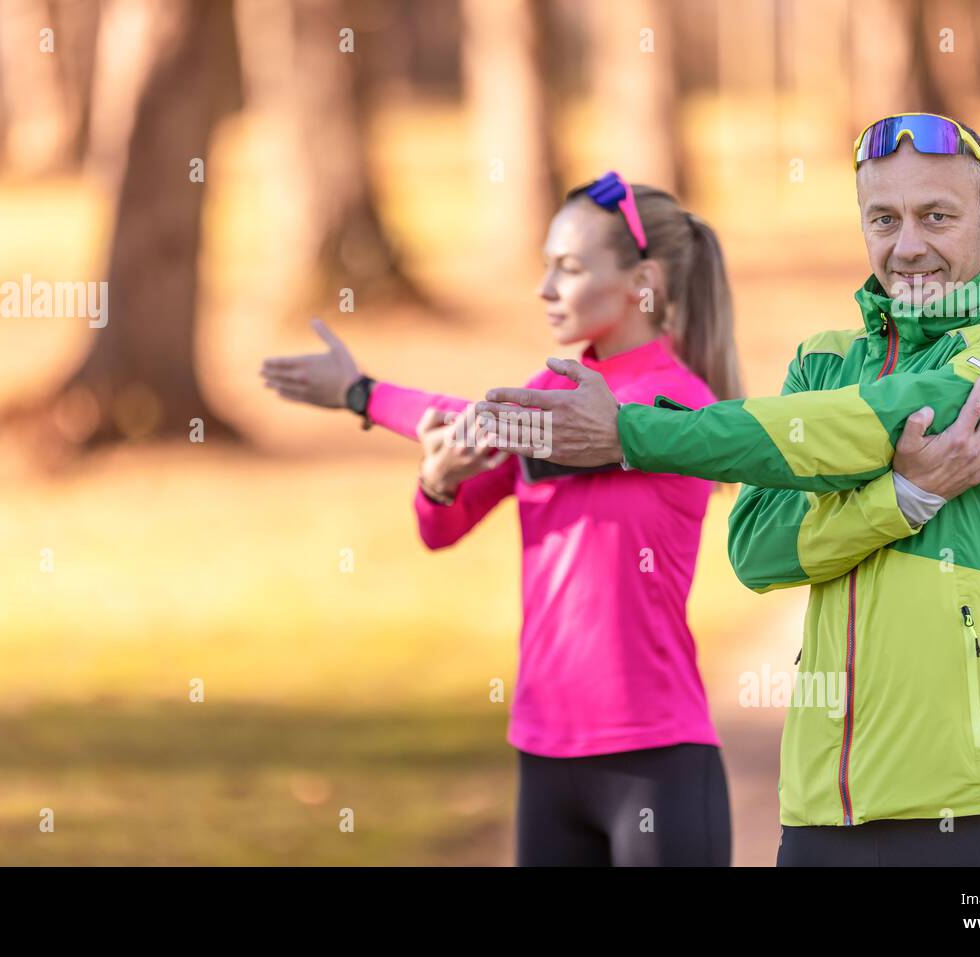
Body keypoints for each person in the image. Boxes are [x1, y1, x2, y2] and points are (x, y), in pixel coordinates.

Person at [474, 114, 980, 866]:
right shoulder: (823, 361)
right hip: (822, 815)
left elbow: (857, 425)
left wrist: (631, 432)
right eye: (883, 219)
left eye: (937, 215)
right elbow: (758, 549)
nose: (908, 247)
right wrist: (899, 499)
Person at [261, 172, 742, 865]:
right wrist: (438, 477)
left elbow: (504, 427)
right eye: (545, 266)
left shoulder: (680, 403)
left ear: (644, 281)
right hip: (544, 752)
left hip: (655, 756)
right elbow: (441, 527)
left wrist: (362, 393)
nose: (544, 289)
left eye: (569, 269)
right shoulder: (549, 392)